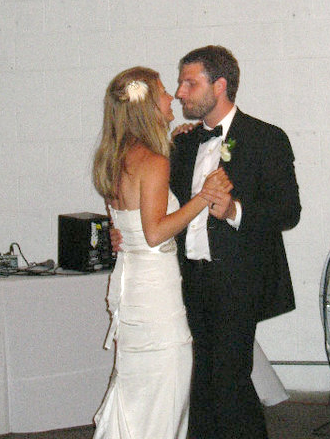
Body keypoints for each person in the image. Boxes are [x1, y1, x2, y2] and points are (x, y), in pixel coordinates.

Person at [92, 66, 232, 439]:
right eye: (164, 92)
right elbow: (154, 233)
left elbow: (127, 226)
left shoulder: (115, 157)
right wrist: (204, 196)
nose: (172, 97)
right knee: (164, 393)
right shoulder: (153, 161)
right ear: (148, 105)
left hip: (132, 286)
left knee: (139, 390)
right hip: (155, 294)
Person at [171, 45, 301, 439]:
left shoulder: (266, 138)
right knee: (204, 379)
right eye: (180, 83)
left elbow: (288, 212)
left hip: (239, 281)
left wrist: (234, 211)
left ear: (220, 85)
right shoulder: (184, 143)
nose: (179, 92)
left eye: (190, 83)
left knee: (228, 379)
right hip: (191, 279)